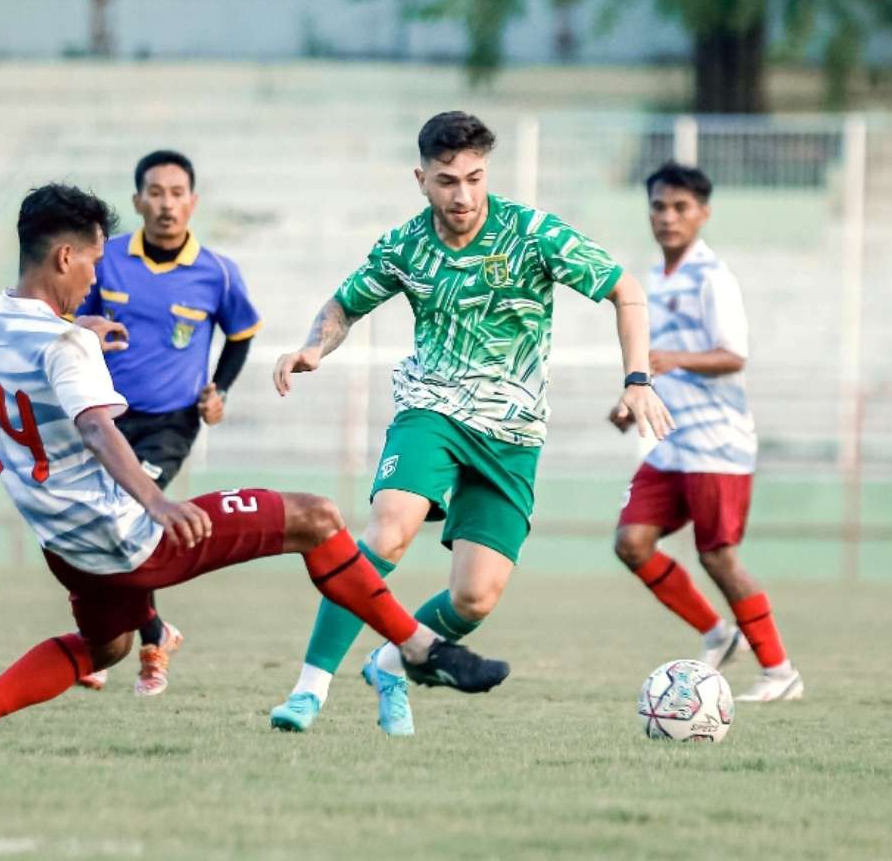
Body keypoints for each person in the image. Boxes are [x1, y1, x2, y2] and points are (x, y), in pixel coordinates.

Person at [0, 183, 507, 731]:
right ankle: (420, 648)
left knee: (109, 647)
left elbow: (44, 349)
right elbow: (97, 429)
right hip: (126, 537)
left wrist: (83, 326)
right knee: (318, 517)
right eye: (94, 261)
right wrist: (157, 504)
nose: (96, 273)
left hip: (65, 545)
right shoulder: (66, 345)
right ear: (66, 258)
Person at [267, 111, 674, 736]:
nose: (463, 195)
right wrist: (313, 347)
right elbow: (343, 305)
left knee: (476, 597)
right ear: (421, 180)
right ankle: (308, 691)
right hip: (431, 408)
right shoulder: (404, 246)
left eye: (475, 179)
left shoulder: (532, 233)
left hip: (512, 433)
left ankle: (390, 662)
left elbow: (627, 290)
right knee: (390, 530)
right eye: (447, 180)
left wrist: (637, 378)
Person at [608, 163, 801, 703]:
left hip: (718, 443)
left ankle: (781, 671)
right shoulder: (657, 274)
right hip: (673, 442)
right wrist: (633, 399)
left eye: (680, 207)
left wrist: (670, 361)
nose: (668, 217)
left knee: (718, 555)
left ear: (703, 213)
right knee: (632, 541)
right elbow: (658, 365)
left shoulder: (712, 277)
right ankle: (718, 632)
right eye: (659, 207)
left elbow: (733, 355)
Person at [71, 149, 260, 696]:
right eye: (155, 193)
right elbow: (75, 318)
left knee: (125, 514)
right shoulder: (106, 263)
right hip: (106, 418)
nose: (166, 204)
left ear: (193, 202)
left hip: (171, 423)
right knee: (95, 526)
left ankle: (116, 645)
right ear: (138, 201)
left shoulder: (218, 272)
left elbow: (242, 335)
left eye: (177, 194)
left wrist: (218, 389)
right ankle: (150, 632)